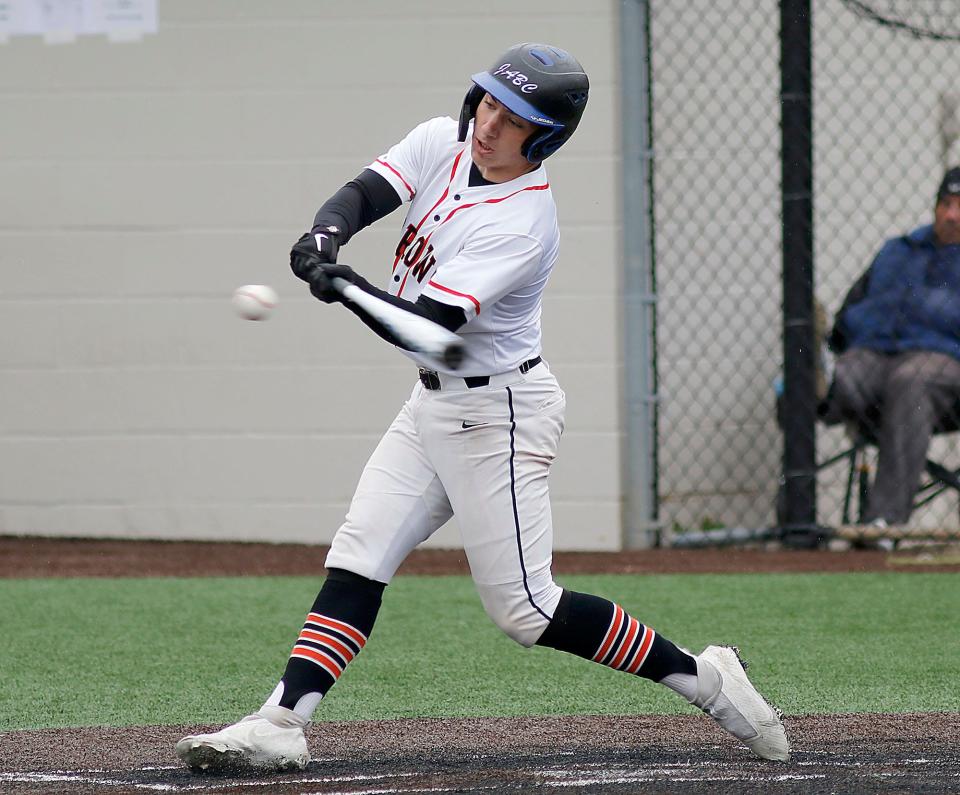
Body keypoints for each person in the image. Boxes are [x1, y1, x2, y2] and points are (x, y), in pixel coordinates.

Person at [175, 43, 789, 773]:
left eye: (515, 116)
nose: (491, 122)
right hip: (432, 407)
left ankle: (710, 681)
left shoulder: (523, 224)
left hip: (498, 412)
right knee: (359, 551)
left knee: (528, 611)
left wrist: (342, 285)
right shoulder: (445, 138)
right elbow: (364, 191)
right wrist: (325, 236)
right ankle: (282, 719)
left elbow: (431, 329)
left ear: (545, 136)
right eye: (490, 101)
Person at [824, 167, 960, 528]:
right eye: (945, 204)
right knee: (835, 377)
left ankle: (882, 524)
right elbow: (850, 309)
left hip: (943, 364)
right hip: (875, 354)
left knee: (910, 379)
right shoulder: (898, 250)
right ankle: (796, 519)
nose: (951, 215)